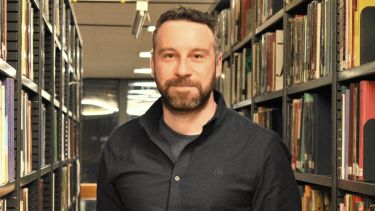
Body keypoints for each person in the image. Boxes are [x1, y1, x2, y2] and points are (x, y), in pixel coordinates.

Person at [97, 6, 301, 211]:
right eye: (169, 55)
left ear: (218, 64)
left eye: (197, 56)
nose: (182, 70)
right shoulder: (119, 145)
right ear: (152, 64)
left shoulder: (263, 150)